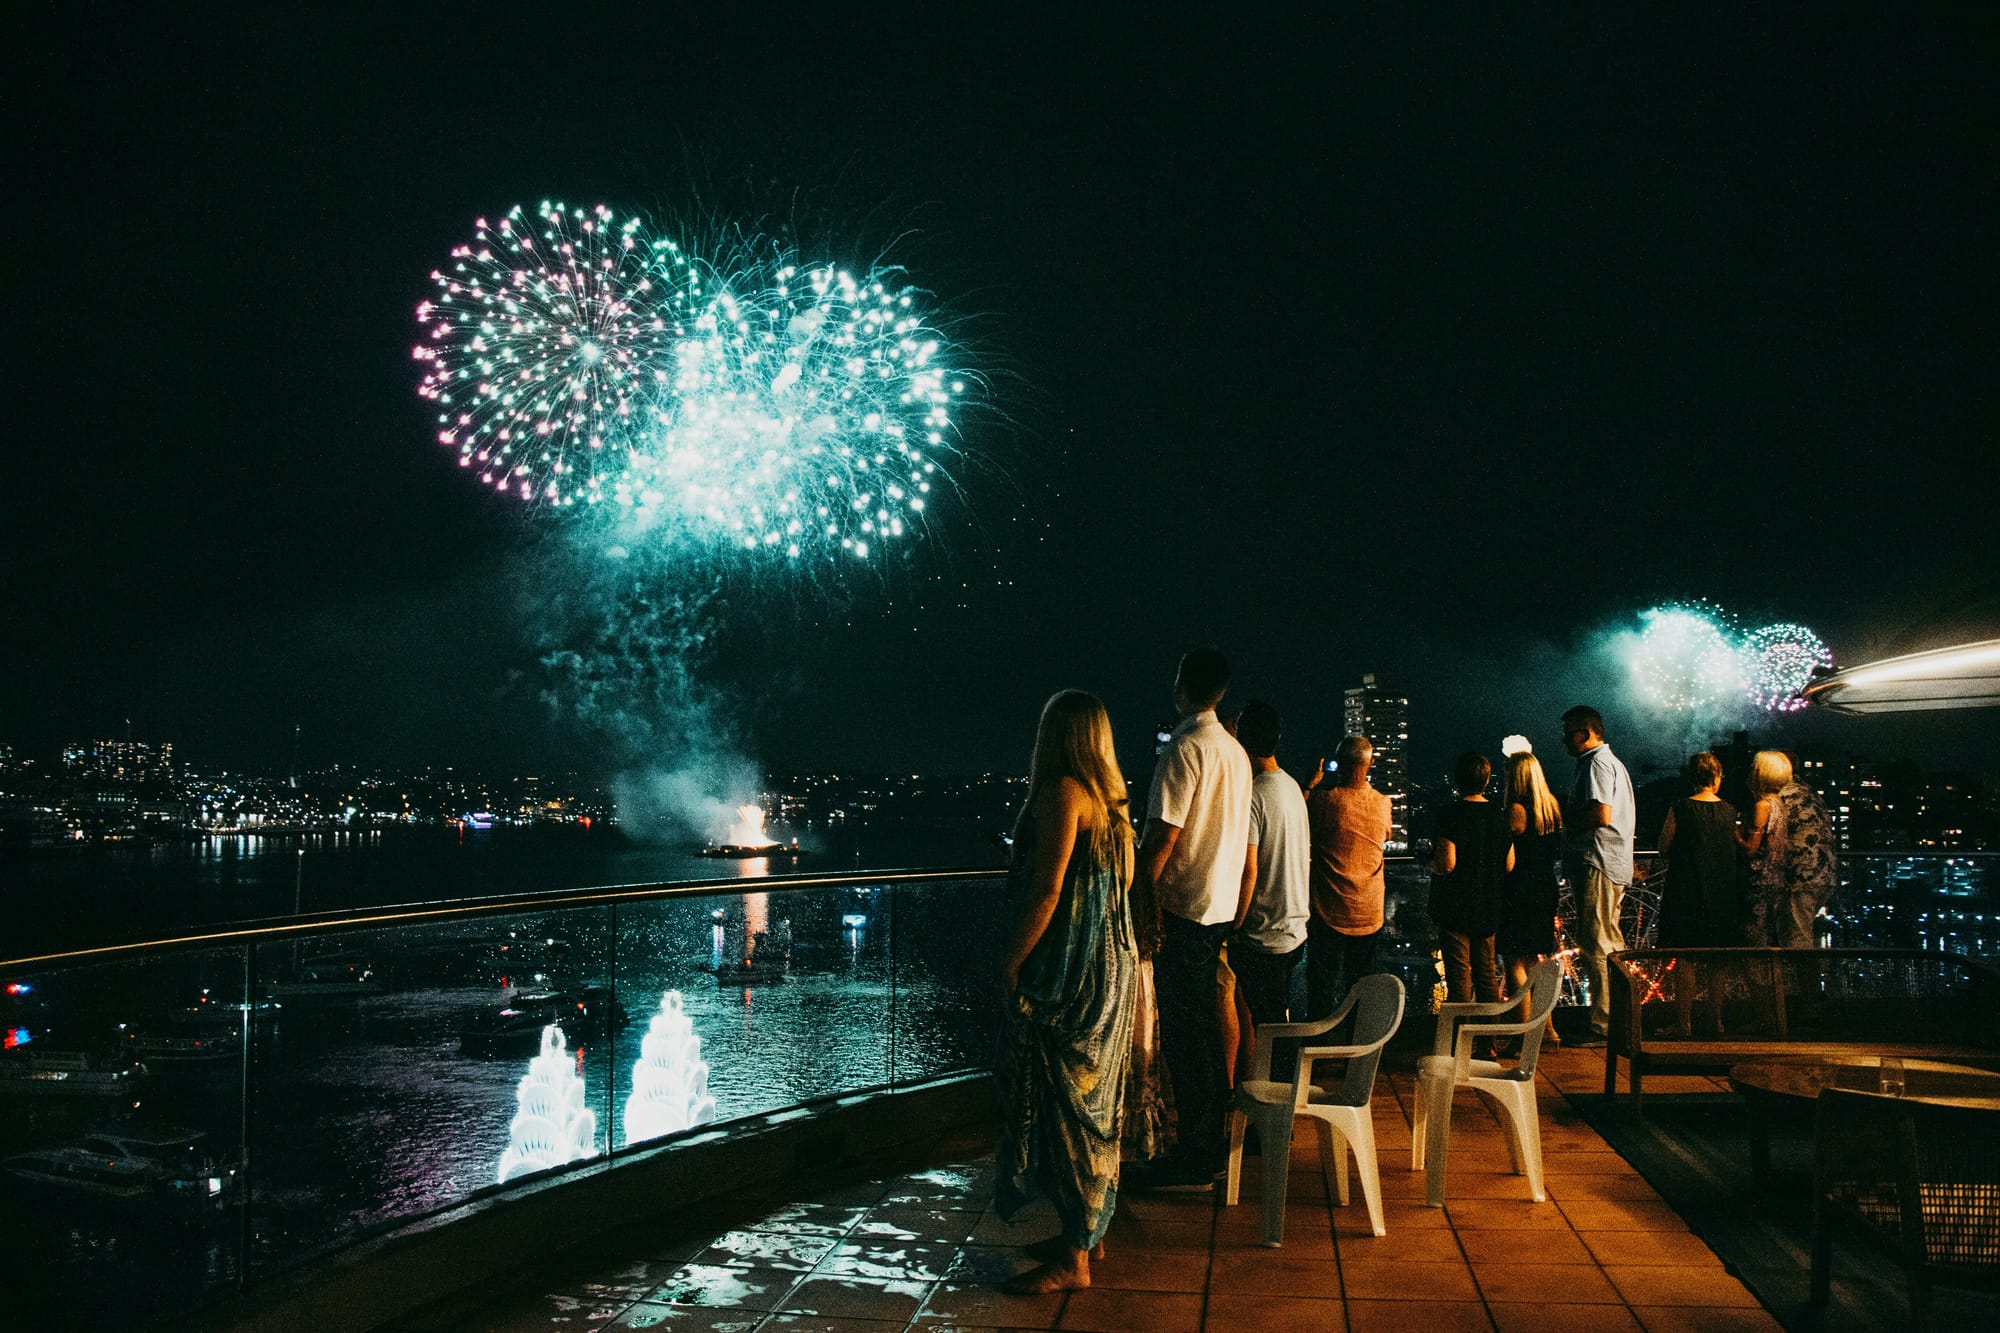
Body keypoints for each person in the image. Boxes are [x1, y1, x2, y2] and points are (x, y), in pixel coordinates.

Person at [994, 690, 1138, 1293]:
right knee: (1097, 1108)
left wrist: (1010, 962)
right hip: (1112, 971)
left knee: (1065, 1113)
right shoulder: (1114, 805)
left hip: (1070, 978)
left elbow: (1048, 891)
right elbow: (1122, 888)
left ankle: (1073, 1262)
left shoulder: (1062, 794)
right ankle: (1087, 1239)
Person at [1128, 648, 1252, 1188]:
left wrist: (1137, 896)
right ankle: (1206, 1144)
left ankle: (1197, 1151)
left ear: (1183, 685)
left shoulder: (1185, 749)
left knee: (1187, 1034)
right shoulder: (1235, 751)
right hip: (1220, 907)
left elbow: (1161, 837)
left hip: (1184, 909)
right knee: (1201, 1026)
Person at [1230, 700, 1309, 1047]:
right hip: (1294, 928)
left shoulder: (1254, 795)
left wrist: (1233, 926)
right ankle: (1280, 1087)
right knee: (1279, 1018)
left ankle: (1277, 1093)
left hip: (1264, 934)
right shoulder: (1291, 787)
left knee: (1269, 1027)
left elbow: (1250, 870)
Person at [1560, 705, 1636, 1045]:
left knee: (1598, 942)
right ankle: (1617, 1019)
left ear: (1585, 732)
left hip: (1598, 861)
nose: (1563, 740)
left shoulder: (1597, 764)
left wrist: (1566, 817)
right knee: (1608, 941)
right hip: (1610, 862)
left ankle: (1605, 1025)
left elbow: (1600, 814)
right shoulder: (1611, 763)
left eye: (1568, 733)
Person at [1303, 735, 1393, 1019]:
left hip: (1328, 909)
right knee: (1361, 986)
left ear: (1338, 763)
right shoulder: (1383, 804)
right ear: (1371, 764)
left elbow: (1297, 820)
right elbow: (1386, 835)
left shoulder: (1324, 801)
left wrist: (1309, 785)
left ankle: (1316, 1054)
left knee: (1322, 987)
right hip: (1368, 911)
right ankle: (1355, 1053)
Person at [1429, 752, 1513, 1008]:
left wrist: (1427, 862)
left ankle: (1459, 1040)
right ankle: (1488, 1043)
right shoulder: (1499, 816)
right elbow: (1509, 864)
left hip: (1455, 907)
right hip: (1488, 905)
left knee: (1458, 978)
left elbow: (1447, 863)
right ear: (1486, 780)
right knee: (1487, 975)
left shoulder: (1451, 815)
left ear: (1457, 780)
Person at [1738, 750, 1836, 948]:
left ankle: (1802, 979)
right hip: (1824, 875)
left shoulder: (1779, 799)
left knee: (1796, 944)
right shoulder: (1808, 792)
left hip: (1799, 879)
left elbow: (1757, 842)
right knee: (1801, 938)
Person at [1499, 747, 1564, 1043]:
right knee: (1534, 962)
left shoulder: (1516, 810)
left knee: (1514, 961)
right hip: (1545, 887)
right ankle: (1547, 1028)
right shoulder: (1551, 807)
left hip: (1519, 889)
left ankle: (1523, 1033)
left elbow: (1506, 854)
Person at [1655, 751, 1743, 946]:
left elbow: (1663, 847)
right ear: (1716, 777)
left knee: (1683, 948)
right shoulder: (1729, 811)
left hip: (1685, 888)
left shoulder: (1680, 808)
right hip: (1721, 890)